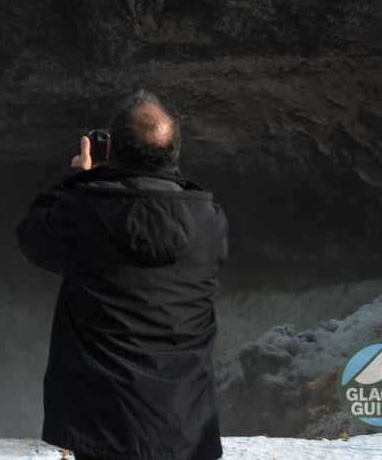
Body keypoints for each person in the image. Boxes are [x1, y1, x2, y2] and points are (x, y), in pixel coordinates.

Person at [17, 91, 229, 460]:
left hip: (106, 429)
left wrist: (75, 181)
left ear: (110, 149)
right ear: (175, 152)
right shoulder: (210, 222)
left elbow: (32, 238)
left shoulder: (86, 212)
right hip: (188, 430)